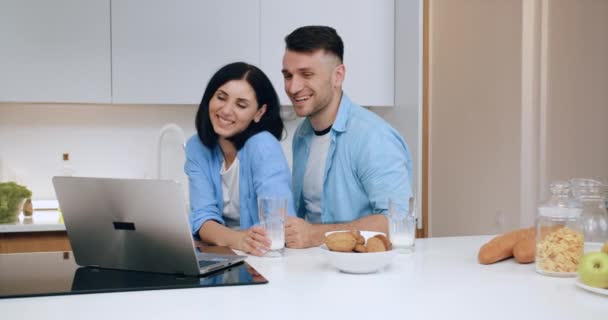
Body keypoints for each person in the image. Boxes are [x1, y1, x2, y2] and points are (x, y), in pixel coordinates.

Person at [281, 26, 413, 249]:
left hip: (365, 273)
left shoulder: (373, 137)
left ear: (338, 76)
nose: (293, 87)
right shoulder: (302, 134)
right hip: (315, 266)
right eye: (288, 75)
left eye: (307, 74)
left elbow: (397, 222)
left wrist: (315, 235)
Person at [185, 62, 295, 256]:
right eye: (221, 97)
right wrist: (238, 239)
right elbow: (202, 219)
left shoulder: (263, 145)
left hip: (264, 256)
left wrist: (237, 240)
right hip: (227, 253)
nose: (226, 111)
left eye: (241, 105)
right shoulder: (197, 147)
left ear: (259, 112)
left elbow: (277, 224)